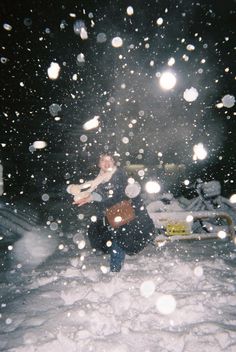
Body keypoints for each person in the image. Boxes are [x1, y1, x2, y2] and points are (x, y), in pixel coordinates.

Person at [69, 154, 155, 272]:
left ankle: (115, 270)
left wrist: (92, 197)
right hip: (116, 213)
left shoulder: (119, 175)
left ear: (114, 162)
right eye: (103, 160)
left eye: (110, 160)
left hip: (126, 213)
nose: (107, 163)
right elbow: (99, 192)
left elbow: (114, 193)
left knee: (118, 239)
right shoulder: (101, 177)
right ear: (99, 163)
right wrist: (88, 195)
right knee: (111, 237)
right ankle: (116, 265)